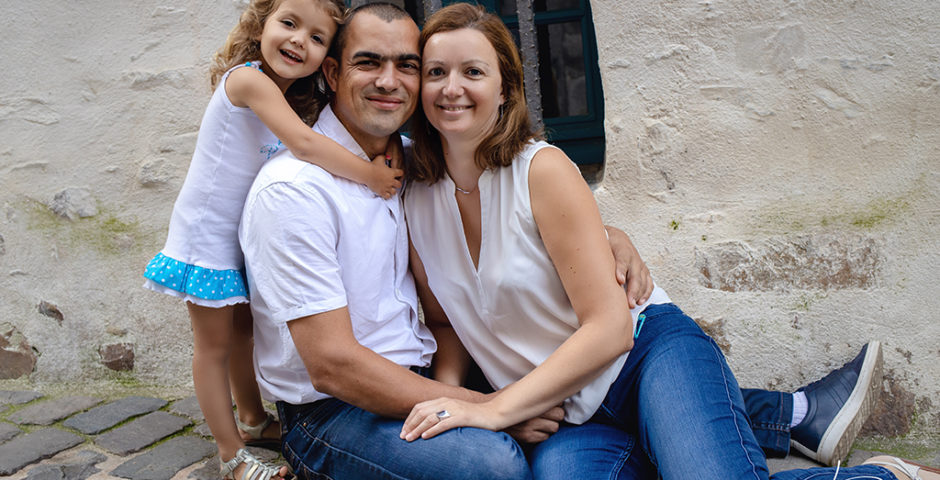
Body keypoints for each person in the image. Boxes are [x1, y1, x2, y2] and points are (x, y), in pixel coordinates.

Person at [399, 4, 938, 480]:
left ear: (505, 90)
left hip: (646, 357)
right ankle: (806, 426)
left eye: (473, 71)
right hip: (567, 419)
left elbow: (610, 330)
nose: (452, 88)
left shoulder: (540, 169)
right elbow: (446, 322)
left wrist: (495, 410)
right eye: (436, 72)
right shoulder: (415, 198)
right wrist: (462, 401)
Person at [141, 0, 405, 478]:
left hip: (240, 235)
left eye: (317, 37)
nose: (299, 40)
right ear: (261, 24)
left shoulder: (290, 96)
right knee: (215, 347)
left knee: (245, 333)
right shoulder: (248, 80)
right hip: (207, 238)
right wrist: (369, 176)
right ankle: (231, 455)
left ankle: (254, 420)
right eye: (288, 23)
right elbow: (306, 146)